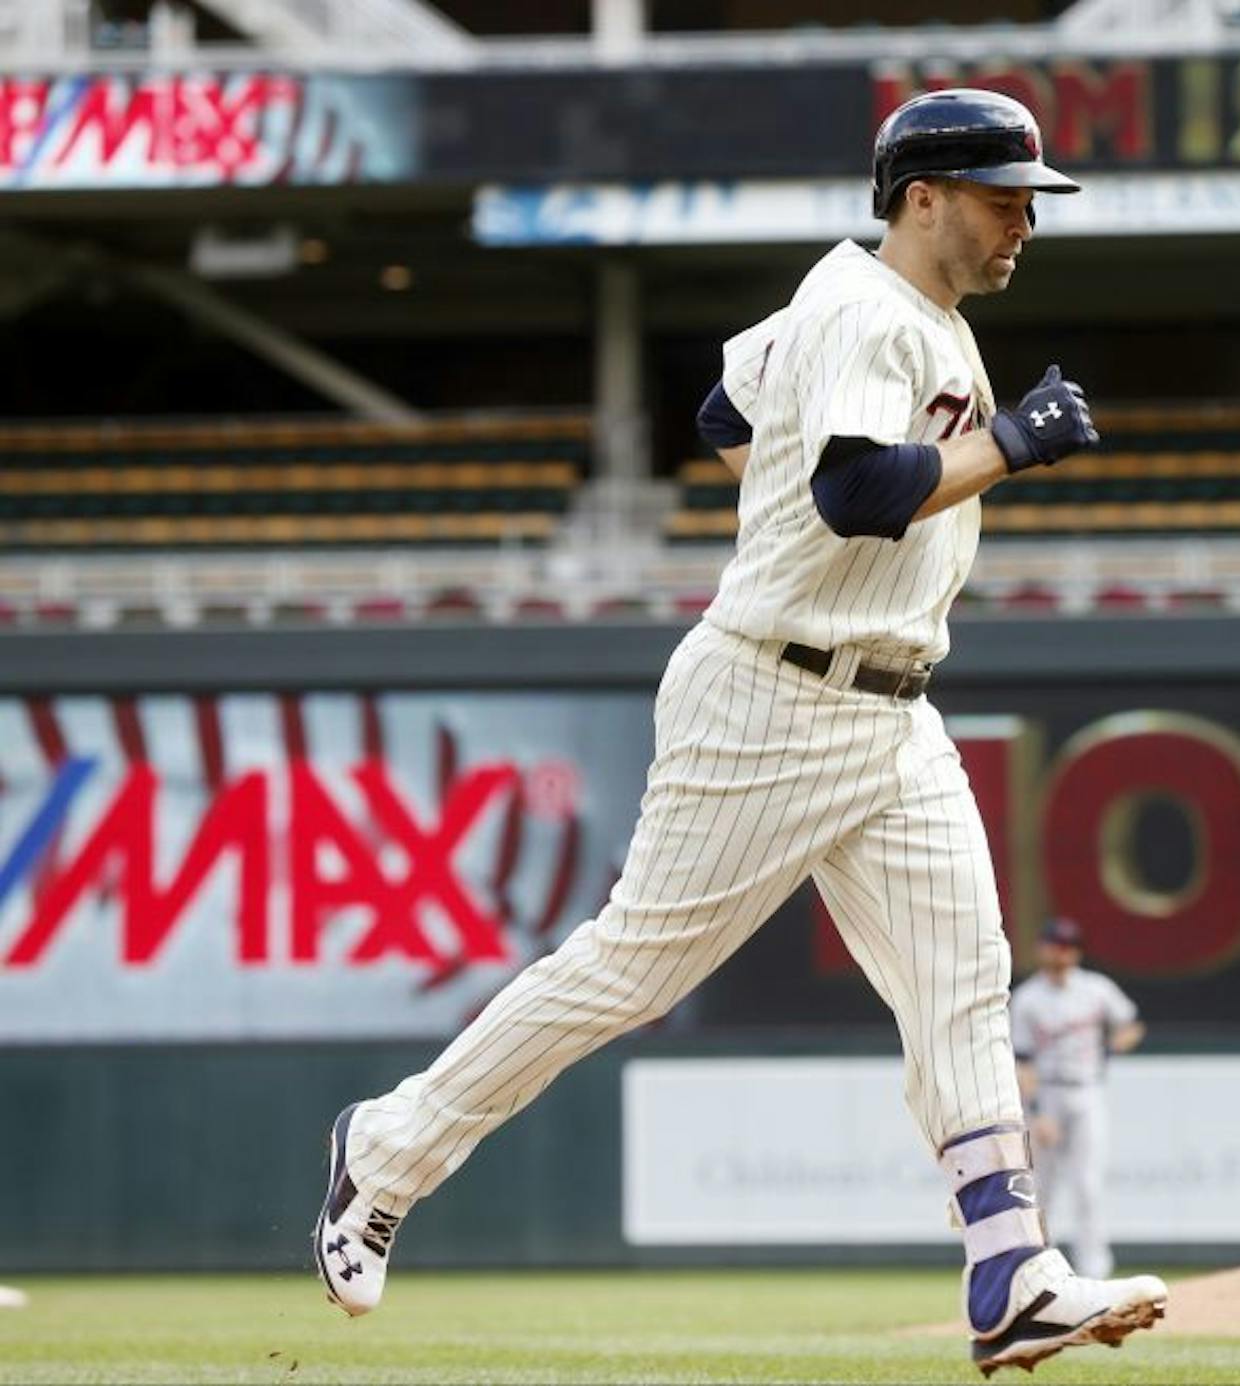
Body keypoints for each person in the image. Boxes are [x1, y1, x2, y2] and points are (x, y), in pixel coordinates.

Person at [310, 88, 1168, 1377]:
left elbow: (725, 414)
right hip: (774, 698)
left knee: (961, 978)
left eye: (1029, 199)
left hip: (889, 705)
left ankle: (1011, 1271)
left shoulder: (873, 310)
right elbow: (856, 490)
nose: (1022, 222)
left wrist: (792, 512)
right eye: (1002, 196)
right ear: (921, 199)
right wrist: (1012, 442)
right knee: (629, 973)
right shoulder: (862, 311)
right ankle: (386, 1148)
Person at [1010, 918, 1145, 1280]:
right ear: (1042, 948)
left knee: (1088, 1184)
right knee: (1042, 1189)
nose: (1061, 952)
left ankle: (1095, 1272)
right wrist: (1036, 1114)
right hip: (1046, 1093)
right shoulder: (1028, 999)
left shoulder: (1096, 989)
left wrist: (1112, 1047)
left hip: (1087, 1091)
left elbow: (1131, 1025)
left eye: (1068, 945)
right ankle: (1038, 1271)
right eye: (1055, 944)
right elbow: (1021, 1060)